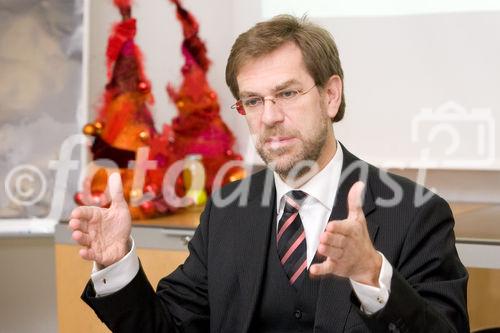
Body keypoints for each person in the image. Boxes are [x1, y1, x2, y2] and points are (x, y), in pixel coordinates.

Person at [70, 15, 469, 332]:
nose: (270, 117)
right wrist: (117, 263)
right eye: (254, 101)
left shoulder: (415, 214)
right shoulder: (228, 209)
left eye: (288, 93)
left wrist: (371, 275)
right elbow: (168, 327)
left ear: (330, 95)